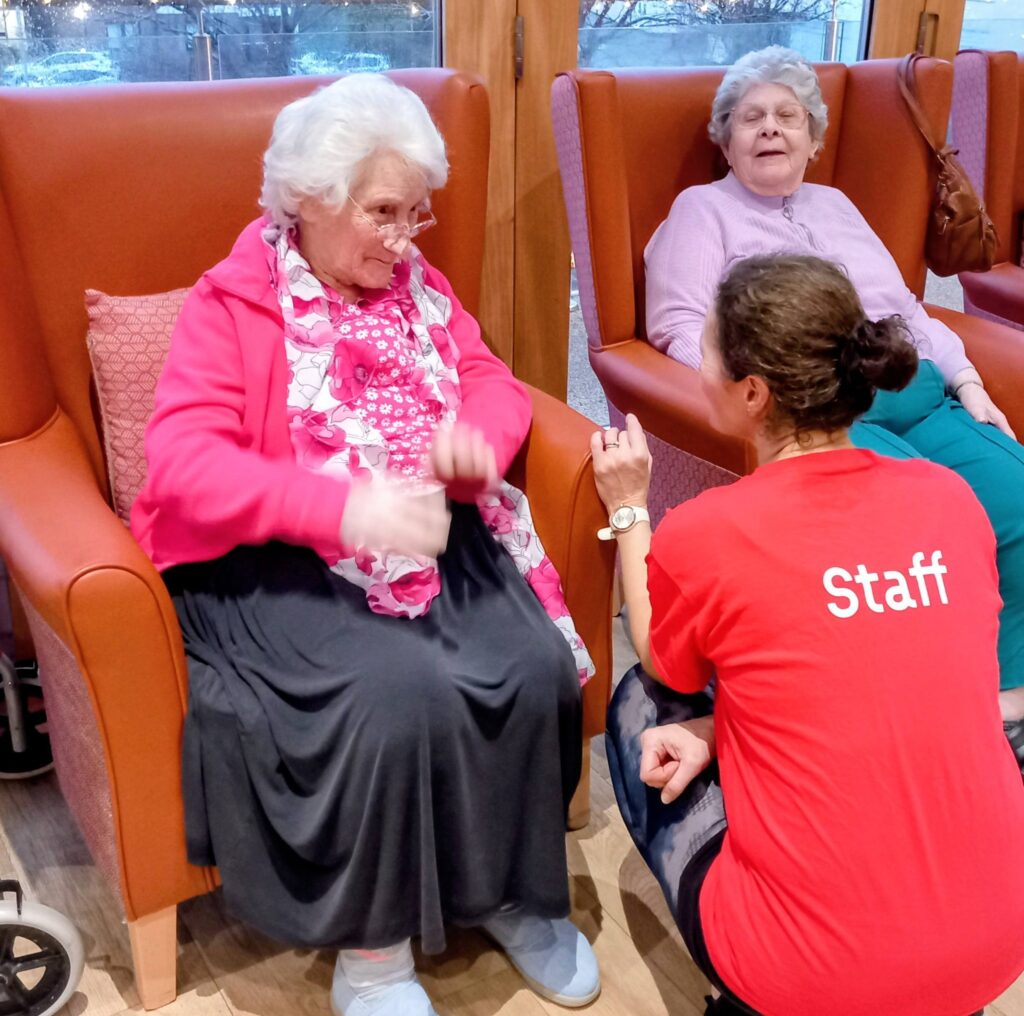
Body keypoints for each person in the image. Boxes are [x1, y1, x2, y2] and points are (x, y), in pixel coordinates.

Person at [131, 74, 599, 1016]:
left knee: (533, 666)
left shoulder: (422, 291)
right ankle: (374, 949)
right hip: (277, 554)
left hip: (424, 528)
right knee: (396, 694)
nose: (405, 240)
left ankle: (512, 891)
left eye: (417, 215)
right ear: (309, 200)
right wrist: (342, 511)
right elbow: (183, 466)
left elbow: (490, 378)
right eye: (385, 213)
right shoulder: (227, 308)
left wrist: (481, 438)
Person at [595, 254, 1024, 1016]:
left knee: (642, 701)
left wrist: (629, 508)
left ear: (752, 391)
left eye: (704, 350)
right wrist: (723, 729)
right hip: (999, 941)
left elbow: (664, 659)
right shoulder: (949, 498)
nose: (696, 364)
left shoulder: (707, 532)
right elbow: (880, 672)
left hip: (808, 978)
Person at [645, 45, 1024, 766]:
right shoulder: (703, 211)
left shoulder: (836, 206)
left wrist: (969, 383)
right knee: (917, 527)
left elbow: (906, 308)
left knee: (1020, 503)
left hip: (920, 394)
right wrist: (760, 400)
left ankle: (1004, 695)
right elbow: (677, 328)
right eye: (751, 118)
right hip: (826, 414)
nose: (771, 129)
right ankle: (921, 709)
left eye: (789, 117)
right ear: (724, 140)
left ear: (815, 142)